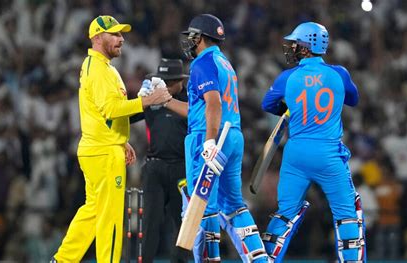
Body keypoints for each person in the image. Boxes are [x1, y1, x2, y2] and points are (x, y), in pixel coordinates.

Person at [52, 15, 171, 262]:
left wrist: (120, 138)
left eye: (121, 34)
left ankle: (63, 259)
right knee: (112, 217)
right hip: (104, 153)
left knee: (94, 211)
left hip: (99, 146)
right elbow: (111, 109)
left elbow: (102, 112)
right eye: (114, 34)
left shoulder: (99, 67)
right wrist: (149, 100)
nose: (121, 39)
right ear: (97, 38)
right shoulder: (99, 69)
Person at [164, 14, 268, 262]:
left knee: (202, 208)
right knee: (233, 205)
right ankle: (259, 258)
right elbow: (200, 108)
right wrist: (166, 101)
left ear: (200, 37)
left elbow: (213, 103)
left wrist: (209, 141)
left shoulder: (202, 64)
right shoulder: (225, 63)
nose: (189, 41)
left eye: (192, 36)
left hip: (207, 137)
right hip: (232, 136)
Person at [261, 22, 366, 262]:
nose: (292, 48)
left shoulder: (287, 77)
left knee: (284, 214)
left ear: (308, 46)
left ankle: (264, 259)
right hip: (328, 152)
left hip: (296, 152)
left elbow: (267, 104)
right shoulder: (339, 73)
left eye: (296, 44)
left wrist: (291, 106)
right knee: (347, 213)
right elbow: (353, 99)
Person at [129, 58, 189, 263]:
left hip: (182, 168)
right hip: (154, 167)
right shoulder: (152, 97)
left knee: (181, 224)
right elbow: (125, 118)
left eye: (172, 82)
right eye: (165, 81)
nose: (168, 85)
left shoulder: (189, 100)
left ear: (181, 81)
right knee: (150, 223)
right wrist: (139, 101)